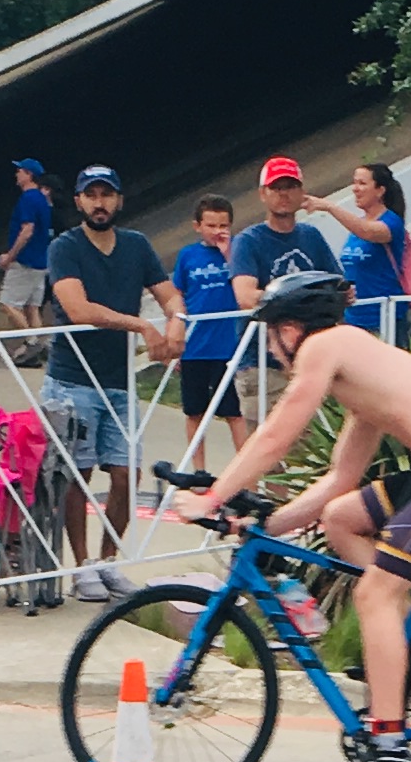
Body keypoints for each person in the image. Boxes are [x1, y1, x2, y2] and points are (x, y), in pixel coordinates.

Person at [175, 266, 411, 762]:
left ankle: (388, 741)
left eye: (271, 333)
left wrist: (213, 497)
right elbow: (339, 483)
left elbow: (279, 432)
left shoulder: (324, 346)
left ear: (290, 329)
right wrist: (265, 524)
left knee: (376, 591)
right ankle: (398, 642)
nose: (274, 349)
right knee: (342, 519)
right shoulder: (361, 377)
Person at [45, 165, 181, 600]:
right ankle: (82, 566)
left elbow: (169, 292)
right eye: (91, 195)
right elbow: (77, 308)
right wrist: (142, 326)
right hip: (72, 377)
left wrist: (177, 321)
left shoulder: (136, 245)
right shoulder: (64, 247)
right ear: (80, 201)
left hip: (118, 381)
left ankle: (108, 560)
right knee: (77, 473)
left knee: (125, 474)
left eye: (107, 195)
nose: (99, 203)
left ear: (119, 200)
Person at [171, 194, 251, 457]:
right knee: (194, 411)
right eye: (211, 226)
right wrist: (176, 337)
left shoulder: (239, 251)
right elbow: (178, 296)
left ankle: (245, 475)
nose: (218, 232)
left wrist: (229, 254)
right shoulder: (188, 255)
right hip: (195, 346)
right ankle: (199, 472)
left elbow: (246, 283)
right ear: (198, 226)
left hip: (228, 346)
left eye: (223, 226)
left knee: (233, 412)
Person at [229, 156, 344, 315]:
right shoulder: (247, 241)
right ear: (263, 194)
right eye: (276, 187)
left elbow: (338, 284)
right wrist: (303, 301)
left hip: (312, 331)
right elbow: (246, 298)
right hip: (265, 336)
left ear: (302, 192)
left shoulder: (311, 235)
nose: (284, 194)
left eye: (291, 186)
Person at [316, 161, 411, 335]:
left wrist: (330, 207)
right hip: (354, 317)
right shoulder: (357, 227)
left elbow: (367, 232)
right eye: (354, 183)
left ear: (380, 190)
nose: (355, 189)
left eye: (362, 183)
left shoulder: (391, 222)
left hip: (384, 316)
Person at [0, 158, 52, 329]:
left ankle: (32, 340)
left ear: (29, 174)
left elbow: (27, 230)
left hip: (25, 262)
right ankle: (40, 344)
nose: (16, 174)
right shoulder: (42, 200)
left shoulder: (28, 199)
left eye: (20, 171)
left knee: (8, 304)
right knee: (32, 307)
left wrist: (10, 256)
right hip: (41, 262)